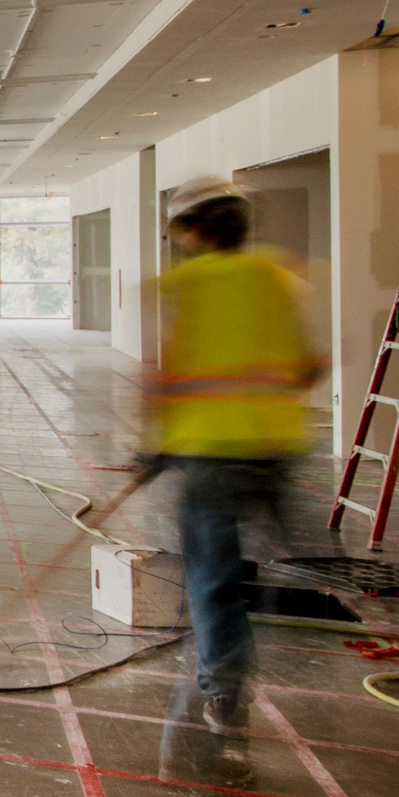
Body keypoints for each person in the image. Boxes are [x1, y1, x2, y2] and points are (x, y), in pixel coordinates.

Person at [144, 175, 326, 738]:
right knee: (283, 561)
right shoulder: (283, 277)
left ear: (190, 232)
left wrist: (152, 442)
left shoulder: (183, 285)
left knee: (211, 576)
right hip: (278, 449)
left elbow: (163, 376)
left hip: (208, 455)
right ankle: (246, 650)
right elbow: (311, 367)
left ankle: (225, 692)